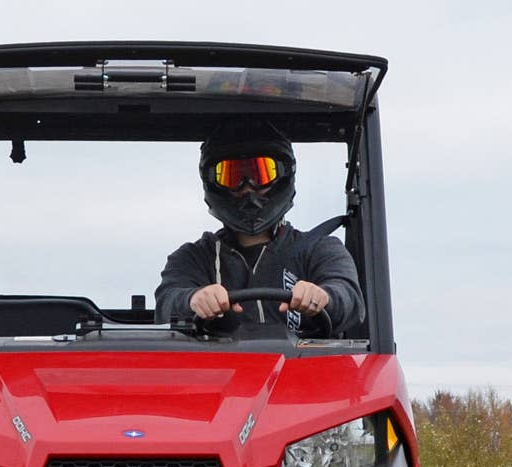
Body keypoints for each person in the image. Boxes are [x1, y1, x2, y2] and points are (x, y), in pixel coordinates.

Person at [155, 121, 365, 337]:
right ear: (214, 183)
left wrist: (323, 297)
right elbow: (167, 302)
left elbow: (348, 297)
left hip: (306, 359)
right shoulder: (193, 258)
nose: (248, 188)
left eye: (261, 174)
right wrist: (193, 299)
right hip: (218, 359)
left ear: (282, 175)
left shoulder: (319, 248)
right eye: (233, 177)